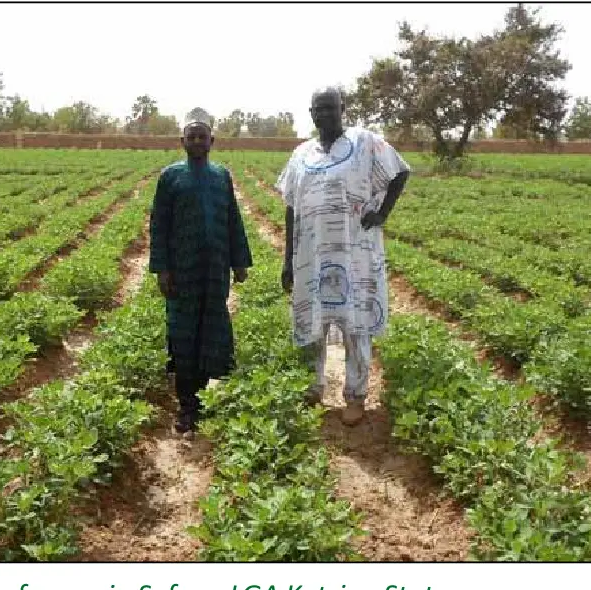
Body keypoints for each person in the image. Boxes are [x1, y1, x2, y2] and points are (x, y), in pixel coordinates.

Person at [276, 86, 411, 426]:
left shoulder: (365, 142)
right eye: (317, 109)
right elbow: (291, 206)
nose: (323, 114)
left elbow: (400, 171)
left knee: (356, 322)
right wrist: (287, 259)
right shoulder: (301, 154)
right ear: (310, 114)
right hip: (311, 254)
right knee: (312, 322)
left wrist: (382, 214)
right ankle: (314, 386)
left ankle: (355, 394)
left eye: (329, 108)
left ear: (342, 108)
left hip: (355, 254)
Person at [149, 119, 253, 436]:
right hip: (183, 272)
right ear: (182, 141)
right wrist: (163, 269)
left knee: (212, 330)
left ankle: (206, 396)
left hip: (215, 271)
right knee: (183, 334)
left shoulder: (222, 176)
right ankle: (186, 405)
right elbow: (159, 225)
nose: (196, 141)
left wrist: (239, 263)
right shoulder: (170, 177)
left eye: (202, 136)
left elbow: (232, 219)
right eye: (191, 136)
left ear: (212, 141)